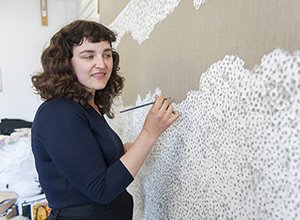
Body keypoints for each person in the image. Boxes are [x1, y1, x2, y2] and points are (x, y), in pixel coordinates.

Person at [31, 20, 180, 220]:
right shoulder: (58, 113)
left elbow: (93, 163)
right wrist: (149, 133)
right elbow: (101, 189)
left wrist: (124, 151)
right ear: (66, 62)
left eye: (107, 55)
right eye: (88, 56)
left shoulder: (86, 107)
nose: (102, 64)